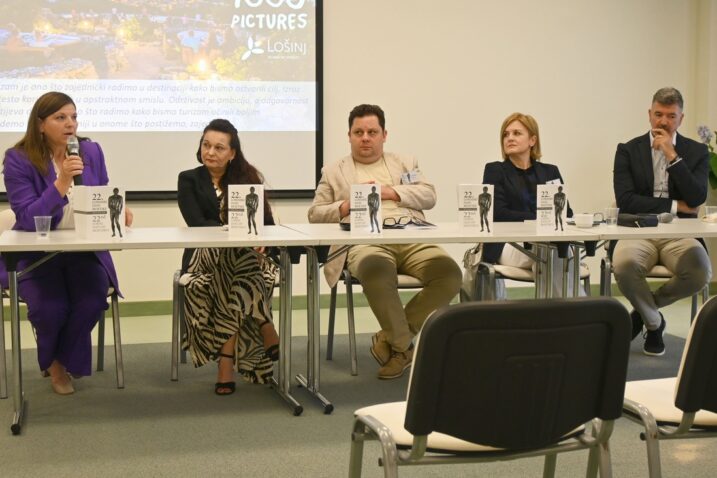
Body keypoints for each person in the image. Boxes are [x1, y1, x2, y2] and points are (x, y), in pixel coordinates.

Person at [308, 104, 462, 380]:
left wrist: (390, 192)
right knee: (376, 271)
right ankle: (404, 348)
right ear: (349, 135)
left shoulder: (405, 162)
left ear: (384, 135)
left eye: (372, 131)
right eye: (359, 132)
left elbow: (429, 196)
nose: (365, 137)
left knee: (450, 274)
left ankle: (388, 338)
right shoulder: (333, 171)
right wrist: (344, 206)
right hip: (365, 240)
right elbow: (315, 214)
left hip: (411, 234)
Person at [1, 91, 132, 395]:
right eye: (60, 117)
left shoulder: (91, 150)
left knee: (91, 301)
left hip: (83, 251)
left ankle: (57, 359)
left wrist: (118, 207)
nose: (70, 123)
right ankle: (58, 367)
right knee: (50, 308)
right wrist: (61, 183)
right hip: (38, 253)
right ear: (40, 124)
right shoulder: (18, 158)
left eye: (73, 117)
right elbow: (27, 218)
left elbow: (100, 192)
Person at [177, 118, 279, 395]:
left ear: (232, 153)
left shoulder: (248, 178)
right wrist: (234, 233)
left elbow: (266, 225)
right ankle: (264, 322)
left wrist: (261, 245)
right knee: (234, 263)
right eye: (206, 145)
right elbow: (197, 224)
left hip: (244, 262)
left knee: (235, 270)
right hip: (203, 258)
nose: (210, 152)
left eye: (219, 147)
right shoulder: (188, 179)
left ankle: (226, 363)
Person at [612, 87, 711, 356]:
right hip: (637, 230)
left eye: (670, 116)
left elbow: (697, 197)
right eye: (658, 114)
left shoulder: (697, 151)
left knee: (701, 272)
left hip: (681, 233)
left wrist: (671, 155)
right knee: (623, 265)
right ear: (649, 114)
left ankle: (644, 311)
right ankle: (654, 323)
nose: (663, 121)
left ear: (681, 118)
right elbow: (626, 200)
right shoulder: (628, 150)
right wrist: (676, 206)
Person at [482, 112, 582, 297]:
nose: (509, 138)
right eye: (506, 134)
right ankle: (576, 315)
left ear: (532, 140)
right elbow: (498, 213)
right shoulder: (495, 170)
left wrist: (543, 222)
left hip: (545, 244)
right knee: (555, 252)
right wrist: (540, 219)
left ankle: (562, 314)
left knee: (554, 251)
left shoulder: (550, 172)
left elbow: (565, 213)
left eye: (517, 133)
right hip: (511, 244)